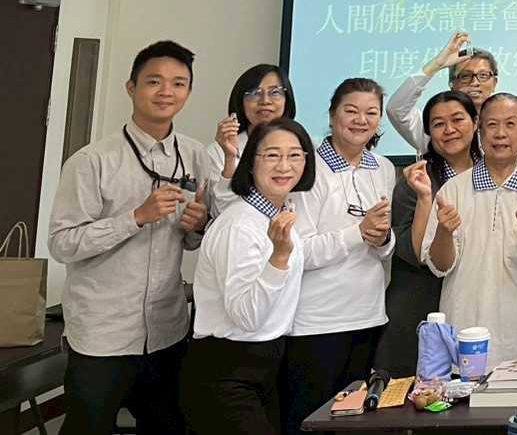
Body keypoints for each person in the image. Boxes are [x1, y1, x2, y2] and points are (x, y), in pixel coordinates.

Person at [49, 40, 210, 435]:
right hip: (103, 335)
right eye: (154, 81)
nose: (166, 92)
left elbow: (191, 241)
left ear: (188, 92)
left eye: (178, 83)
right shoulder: (92, 161)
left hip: (167, 330)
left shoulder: (195, 156)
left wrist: (198, 226)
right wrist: (135, 218)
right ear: (131, 87)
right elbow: (63, 243)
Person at [181, 118, 314, 435]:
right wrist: (278, 258)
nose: (284, 166)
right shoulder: (239, 225)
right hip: (226, 372)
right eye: (272, 155)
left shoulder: (277, 213)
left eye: (295, 155)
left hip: (265, 366)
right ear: (251, 163)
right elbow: (246, 316)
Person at [282, 79, 397, 435]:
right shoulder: (309, 167)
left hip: (368, 315)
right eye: (351, 111)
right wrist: (357, 233)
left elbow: (385, 245)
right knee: (309, 421)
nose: (361, 120)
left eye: (371, 113)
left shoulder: (383, 168)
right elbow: (298, 250)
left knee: (355, 422)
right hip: (318, 322)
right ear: (332, 115)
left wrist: (383, 239)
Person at [424, 94, 517, 364]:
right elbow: (440, 266)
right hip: (463, 329)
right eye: (492, 125)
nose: (500, 133)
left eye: (510, 124)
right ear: (479, 131)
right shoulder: (453, 189)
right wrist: (444, 232)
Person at [372, 91, 480, 375]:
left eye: (458, 119)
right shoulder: (416, 180)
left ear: (476, 122)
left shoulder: (490, 175)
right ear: (429, 133)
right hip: (419, 306)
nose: (449, 130)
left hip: (475, 301)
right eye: (438, 124)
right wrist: (425, 200)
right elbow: (412, 253)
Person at [385, 31, 498, 152]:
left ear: (494, 83)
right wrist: (436, 65)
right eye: (465, 76)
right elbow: (396, 109)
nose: (475, 82)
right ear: (451, 84)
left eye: (483, 75)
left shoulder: (506, 126)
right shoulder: (438, 128)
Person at [206, 64, 296, 216]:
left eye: (275, 92)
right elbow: (220, 213)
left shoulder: (302, 147)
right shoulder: (218, 151)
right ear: (241, 101)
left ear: (287, 99)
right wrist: (230, 158)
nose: (265, 101)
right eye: (254, 93)